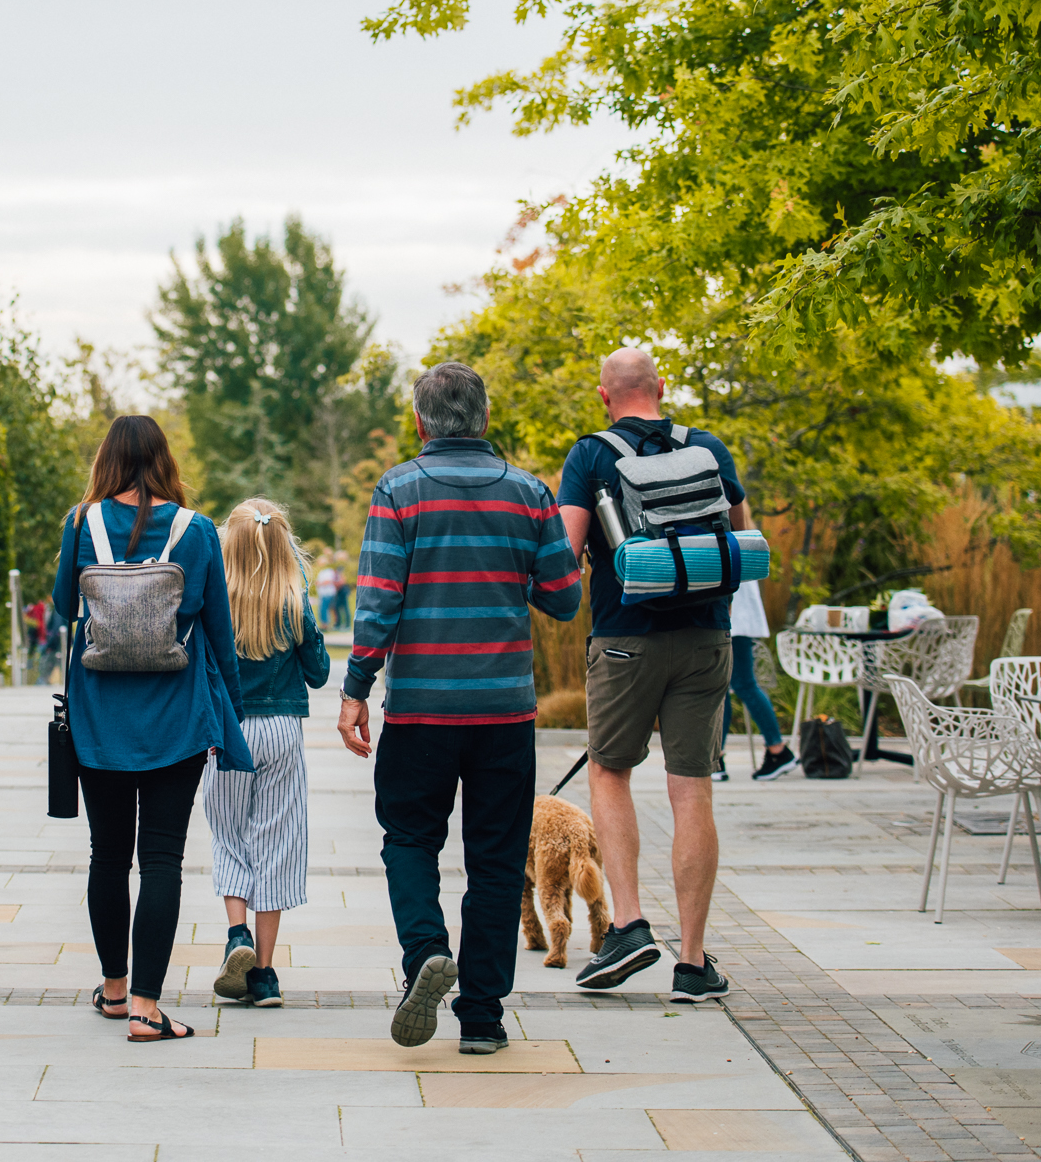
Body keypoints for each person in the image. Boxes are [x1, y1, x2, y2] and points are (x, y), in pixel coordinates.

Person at [337, 362, 581, 1053]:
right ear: (485, 417)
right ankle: (482, 1017)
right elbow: (564, 598)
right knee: (498, 860)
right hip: (505, 712)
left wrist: (356, 688)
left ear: (420, 422)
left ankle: (425, 955)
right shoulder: (529, 493)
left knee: (410, 839)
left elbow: (379, 600)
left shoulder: (398, 490)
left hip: (419, 712)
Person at [555, 347, 748, 1003]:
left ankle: (631, 925)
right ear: (661, 388)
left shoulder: (592, 454)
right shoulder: (710, 448)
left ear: (604, 396)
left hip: (624, 639)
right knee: (691, 789)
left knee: (611, 773)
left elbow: (565, 551)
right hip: (705, 637)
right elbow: (740, 541)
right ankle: (692, 962)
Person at [53, 415, 254, 1042]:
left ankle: (114, 992)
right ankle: (146, 1009)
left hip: (98, 717)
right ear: (165, 461)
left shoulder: (80, 522)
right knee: (162, 858)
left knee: (107, 856)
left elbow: (65, 604)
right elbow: (218, 630)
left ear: (105, 461)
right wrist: (235, 712)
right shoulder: (196, 532)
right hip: (176, 716)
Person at [204, 497, 330, 1009]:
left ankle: (237, 935)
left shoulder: (215, 602)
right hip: (281, 732)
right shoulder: (291, 602)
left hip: (228, 731)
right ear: (285, 549)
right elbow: (319, 672)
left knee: (230, 835)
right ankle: (265, 976)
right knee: (275, 845)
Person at [720, 581, 798, 782]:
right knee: (728, 686)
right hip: (734, 615)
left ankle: (777, 750)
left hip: (731, 615)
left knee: (735, 685)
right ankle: (776, 750)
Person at [314, 560, 341, 633]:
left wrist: (320, 583)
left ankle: (325, 625)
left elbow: (328, 581)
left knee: (324, 609)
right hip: (324, 594)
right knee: (324, 610)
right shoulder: (323, 572)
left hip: (328, 593)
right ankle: (325, 624)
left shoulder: (328, 571)